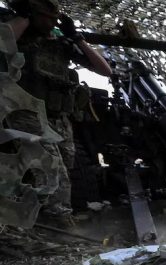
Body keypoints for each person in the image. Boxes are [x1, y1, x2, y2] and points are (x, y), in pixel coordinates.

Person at [4, 0, 112, 222]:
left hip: (59, 117)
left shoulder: (60, 43)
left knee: (63, 169)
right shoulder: (16, 33)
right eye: (47, 17)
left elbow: (105, 70)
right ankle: (60, 221)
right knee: (52, 169)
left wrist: (77, 39)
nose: (53, 22)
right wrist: (23, 18)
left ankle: (41, 215)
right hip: (27, 113)